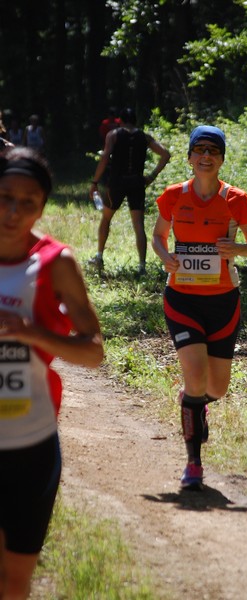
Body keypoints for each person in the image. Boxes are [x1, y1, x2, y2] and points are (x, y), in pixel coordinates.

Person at [0, 146, 104, 598]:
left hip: (31, 445)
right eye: (4, 197)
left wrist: (32, 334)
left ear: (43, 206)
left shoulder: (56, 262)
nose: (13, 211)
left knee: (16, 580)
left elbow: (94, 352)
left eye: (28, 201)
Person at [152, 125, 247, 490]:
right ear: (188, 157)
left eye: (213, 151)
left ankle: (195, 401)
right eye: (198, 149)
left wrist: (238, 250)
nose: (205, 156)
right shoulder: (172, 196)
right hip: (182, 300)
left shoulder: (236, 199)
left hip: (223, 303)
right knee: (195, 375)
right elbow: (157, 236)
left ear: (220, 160)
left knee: (216, 388)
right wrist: (166, 254)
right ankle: (193, 464)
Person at [89, 107, 171, 275]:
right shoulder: (144, 137)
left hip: (116, 183)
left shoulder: (113, 135)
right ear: (135, 120)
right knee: (138, 224)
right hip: (137, 183)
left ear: (121, 120)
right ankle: (142, 266)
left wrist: (95, 181)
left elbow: (105, 157)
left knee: (106, 218)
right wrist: (152, 176)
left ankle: (99, 256)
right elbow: (165, 154)